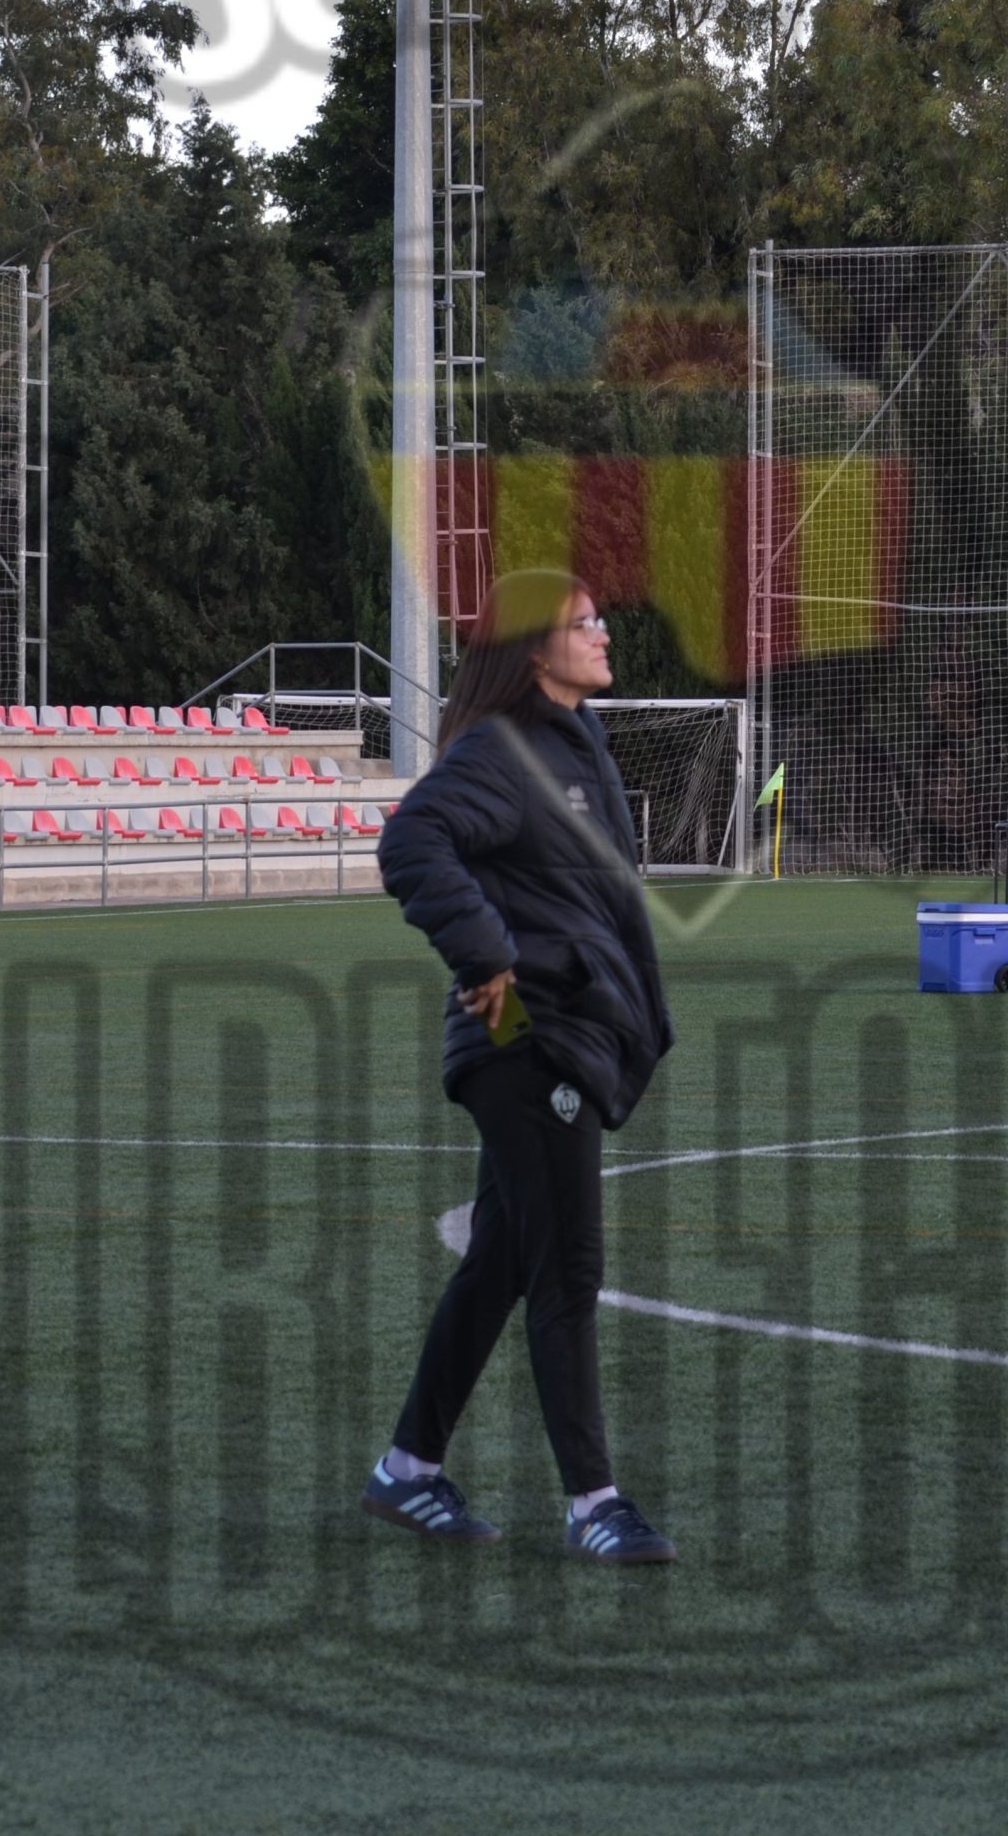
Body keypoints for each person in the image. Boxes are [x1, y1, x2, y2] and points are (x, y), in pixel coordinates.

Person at [361, 570, 678, 1562]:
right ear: (535, 648)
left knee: (502, 1259)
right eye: (585, 623)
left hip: (567, 1029)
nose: (604, 634)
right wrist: (488, 955)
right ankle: (595, 1504)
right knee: (566, 1266)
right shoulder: (503, 750)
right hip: (523, 1037)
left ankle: (407, 1470)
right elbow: (412, 839)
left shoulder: (577, 744)